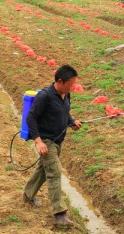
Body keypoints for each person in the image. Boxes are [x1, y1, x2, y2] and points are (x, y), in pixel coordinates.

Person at [23, 65, 82, 227]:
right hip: (46, 140)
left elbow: (65, 113)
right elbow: (31, 118)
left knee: (43, 170)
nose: (72, 88)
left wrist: (72, 122)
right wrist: (38, 141)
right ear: (60, 81)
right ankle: (60, 214)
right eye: (70, 84)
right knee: (54, 172)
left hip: (58, 140)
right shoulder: (45, 97)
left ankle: (28, 194)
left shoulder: (65, 94)